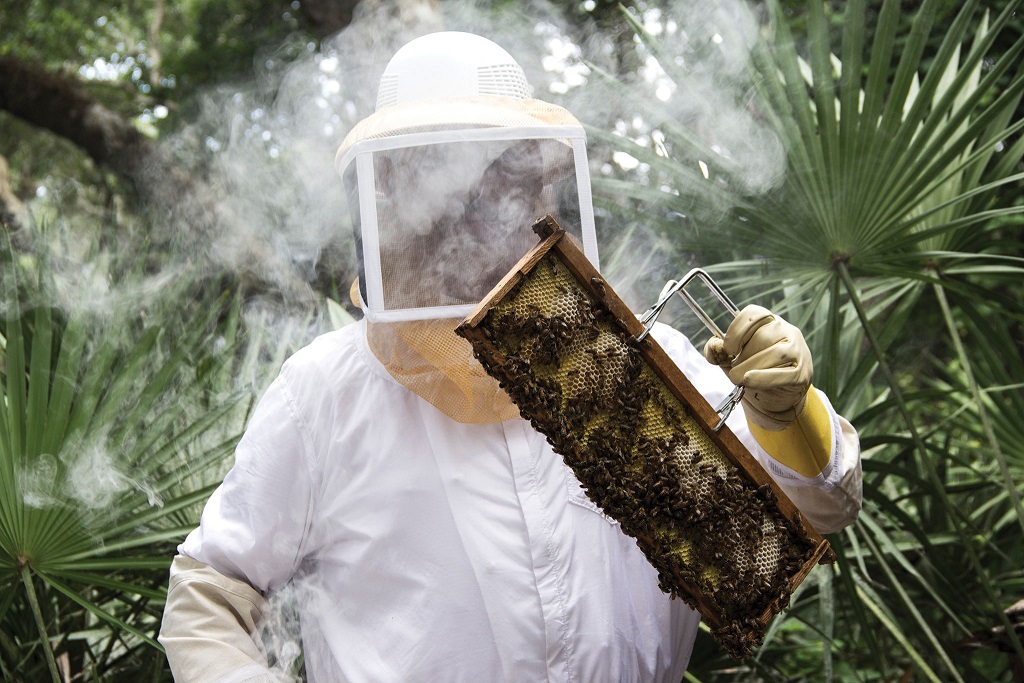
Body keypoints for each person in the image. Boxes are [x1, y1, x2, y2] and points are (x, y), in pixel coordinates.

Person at [159, 31, 861, 683]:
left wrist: (787, 414)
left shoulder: (634, 361)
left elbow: (818, 509)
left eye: (507, 181)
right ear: (394, 200)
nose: (481, 216)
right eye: (457, 189)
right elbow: (210, 592)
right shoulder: (325, 393)